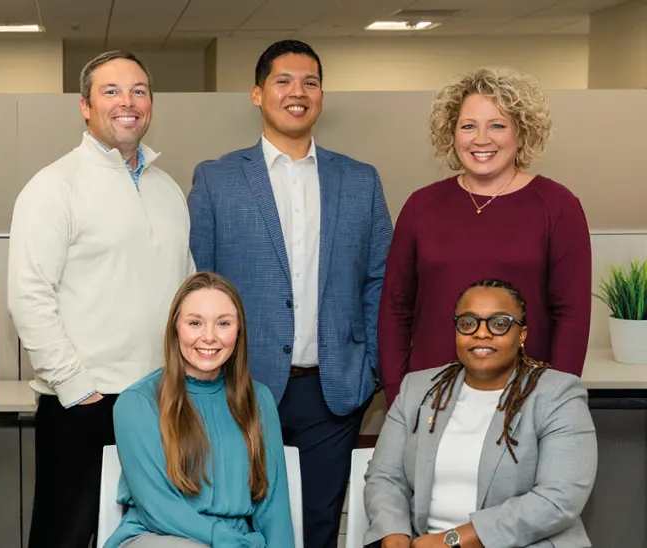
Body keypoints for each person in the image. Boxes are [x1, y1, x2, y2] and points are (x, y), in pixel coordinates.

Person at [186, 39, 392, 548]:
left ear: (322, 95)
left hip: (334, 392)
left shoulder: (360, 181)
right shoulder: (217, 180)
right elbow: (198, 285)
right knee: (241, 520)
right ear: (258, 94)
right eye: (283, 81)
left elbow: (379, 280)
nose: (297, 92)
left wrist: (370, 370)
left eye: (311, 82)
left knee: (318, 524)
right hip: (241, 388)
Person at [7, 50, 196, 548]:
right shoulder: (54, 187)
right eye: (110, 91)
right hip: (85, 403)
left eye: (138, 90)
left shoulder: (168, 189)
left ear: (151, 104)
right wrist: (76, 387)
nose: (126, 102)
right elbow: (28, 294)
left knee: (151, 535)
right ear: (85, 107)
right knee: (66, 535)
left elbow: (186, 285)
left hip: (161, 401)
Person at [377, 67, 591, 407]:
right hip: (432, 398)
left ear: (521, 133)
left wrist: (554, 403)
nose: (481, 139)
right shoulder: (421, 206)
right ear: (452, 134)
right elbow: (394, 309)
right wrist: (399, 395)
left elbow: (572, 316)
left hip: (523, 399)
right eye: (468, 126)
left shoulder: (558, 206)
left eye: (497, 125)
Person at [363, 279, 596, 548]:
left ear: (522, 334)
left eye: (499, 323)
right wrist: (396, 538)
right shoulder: (417, 389)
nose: (481, 333)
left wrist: (453, 541)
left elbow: (558, 499)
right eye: (468, 322)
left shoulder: (558, 395)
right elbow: (385, 477)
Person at [107, 272, 294, 548]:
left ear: (238, 331)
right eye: (195, 323)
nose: (209, 337)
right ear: (175, 328)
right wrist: (231, 543)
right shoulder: (136, 402)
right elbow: (159, 508)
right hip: (158, 538)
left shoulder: (260, 399)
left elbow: (273, 507)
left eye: (223, 323)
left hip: (239, 540)